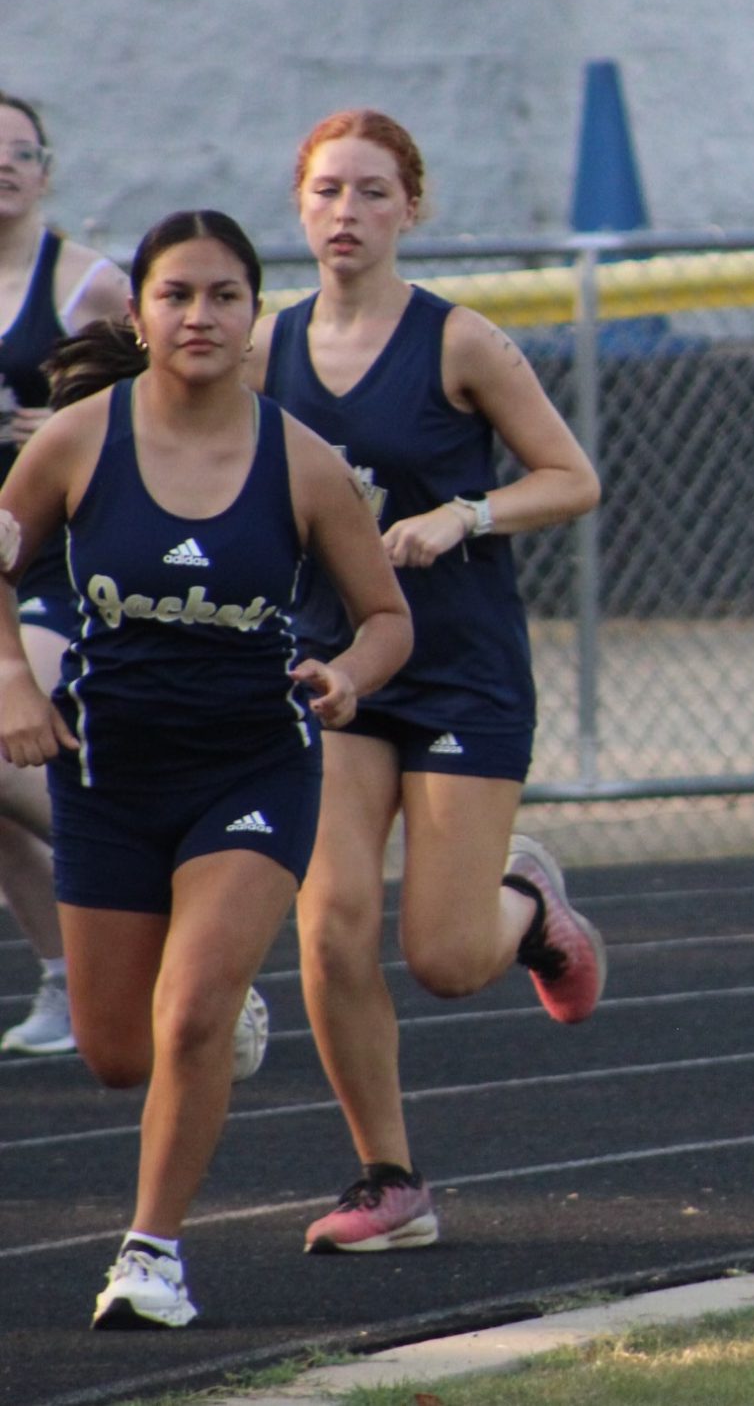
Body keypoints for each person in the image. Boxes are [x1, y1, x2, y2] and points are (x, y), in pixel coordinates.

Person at [0, 210, 412, 1328]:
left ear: (252, 316)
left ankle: (152, 1256)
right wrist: (12, 682)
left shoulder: (303, 462)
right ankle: (204, 1008)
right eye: (177, 294)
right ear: (138, 315)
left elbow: (385, 616)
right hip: (109, 777)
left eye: (223, 295)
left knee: (186, 1020)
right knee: (116, 1055)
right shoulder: (82, 440)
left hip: (250, 771)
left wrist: (347, 675)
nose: (199, 315)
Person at [254, 109, 603, 1256]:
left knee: (447, 959)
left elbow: (572, 478)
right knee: (333, 924)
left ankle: (531, 906)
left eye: (369, 192)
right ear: (299, 206)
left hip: (458, 672)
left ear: (412, 207)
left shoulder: (460, 344)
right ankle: (389, 1181)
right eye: (325, 192)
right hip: (340, 668)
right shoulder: (264, 346)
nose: (344, 213)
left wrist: (466, 514)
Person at [0, 90, 140, 1057]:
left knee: (10, 743)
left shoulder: (88, 286)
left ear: (48, 171)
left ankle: (143, 865)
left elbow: (171, 402)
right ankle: (66, 978)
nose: (2, 165)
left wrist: (67, 428)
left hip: (50, 560)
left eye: (19, 150)